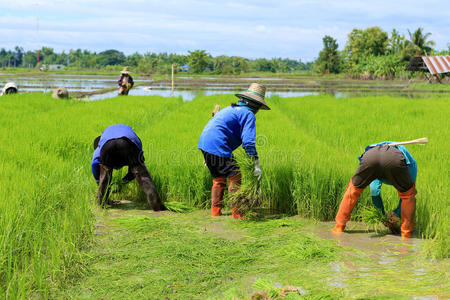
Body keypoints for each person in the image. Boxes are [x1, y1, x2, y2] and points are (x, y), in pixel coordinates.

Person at [198, 83, 270, 219]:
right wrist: (256, 164)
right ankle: (238, 213)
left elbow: (217, 131)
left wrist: (207, 156)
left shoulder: (229, 109)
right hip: (217, 146)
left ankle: (215, 212)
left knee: (219, 179)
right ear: (256, 107)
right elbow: (248, 143)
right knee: (236, 176)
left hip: (204, 144)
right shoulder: (248, 114)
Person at [332, 141, 417, 238]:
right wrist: (385, 216)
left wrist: (392, 214)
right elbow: (407, 195)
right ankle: (406, 234)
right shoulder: (410, 164)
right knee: (408, 195)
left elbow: (374, 191)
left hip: (370, 157)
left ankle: (339, 227)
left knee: (353, 191)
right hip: (394, 159)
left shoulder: (410, 164)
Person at [91, 124, 164, 210]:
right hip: (128, 143)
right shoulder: (134, 138)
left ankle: (101, 205)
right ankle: (157, 207)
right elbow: (134, 172)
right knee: (143, 176)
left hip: (108, 146)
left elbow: (94, 163)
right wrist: (124, 182)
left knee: (105, 176)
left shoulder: (102, 141)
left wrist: (99, 181)